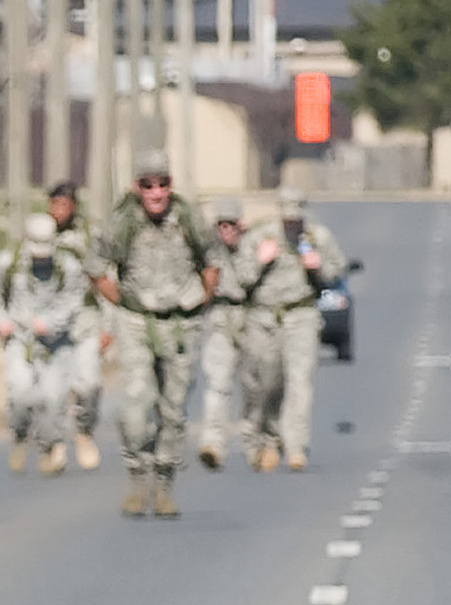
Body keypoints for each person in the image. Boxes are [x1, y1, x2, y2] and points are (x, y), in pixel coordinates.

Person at [88, 149, 222, 518]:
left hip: (180, 323)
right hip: (136, 323)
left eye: (162, 184)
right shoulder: (122, 221)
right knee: (134, 405)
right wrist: (125, 303)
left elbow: (213, 261)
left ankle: (164, 482)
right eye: (148, 185)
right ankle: (137, 474)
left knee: (173, 408)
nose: (156, 193)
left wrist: (200, 300)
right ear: (137, 188)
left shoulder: (188, 218)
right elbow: (96, 268)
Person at [237, 188, 347, 472]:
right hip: (265, 318)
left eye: (296, 214)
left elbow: (338, 271)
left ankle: (296, 446)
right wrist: (260, 261)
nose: (292, 220)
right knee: (268, 382)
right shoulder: (260, 236)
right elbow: (240, 278)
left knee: (300, 381)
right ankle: (270, 436)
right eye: (287, 214)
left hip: (302, 314)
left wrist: (319, 268)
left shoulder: (316, 237)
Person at [0, 211, 93, 476]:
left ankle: (50, 447)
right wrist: (1, 321)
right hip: (20, 340)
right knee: (20, 394)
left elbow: (74, 301)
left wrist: (50, 322)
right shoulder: (8, 262)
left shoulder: (67, 266)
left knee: (52, 398)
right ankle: (20, 436)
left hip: (56, 342)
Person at [46, 181, 107, 470]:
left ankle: (84, 432)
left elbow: (104, 278)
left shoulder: (89, 237)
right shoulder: (41, 236)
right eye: (53, 204)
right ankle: (56, 444)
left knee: (89, 383)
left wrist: (109, 325)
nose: (58, 210)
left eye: (64, 204)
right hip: (50, 326)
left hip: (85, 321)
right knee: (54, 390)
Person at [192, 198, 253, 470]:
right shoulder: (206, 253)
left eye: (232, 225)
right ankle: (213, 444)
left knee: (254, 385)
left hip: (251, 318)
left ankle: (256, 444)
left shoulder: (253, 249)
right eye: (222, 225)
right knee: (217, 384)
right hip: (218, 318)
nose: (227, 231)